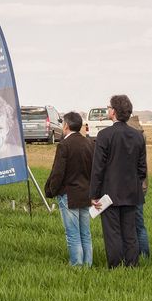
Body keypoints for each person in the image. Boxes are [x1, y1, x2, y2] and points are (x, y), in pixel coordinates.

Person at [89, 94, 148, 268]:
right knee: (130, 232)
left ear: (113, 112)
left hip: (109, 192)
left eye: (109, 107)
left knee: (112, 232)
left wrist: (94, 194)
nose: (108, 109)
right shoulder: (138, 136)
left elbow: (97, 168)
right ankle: (132, 265)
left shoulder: (104, 135)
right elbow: (142, 168)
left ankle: (115, 266)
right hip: (132, 192)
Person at [44, 111, 95, 267]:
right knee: (85, 233)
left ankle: (76, 265)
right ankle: (87, 264)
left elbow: (58, 172)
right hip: (86, 194)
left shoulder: (64, 145)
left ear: (65, 125)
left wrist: (52, 190)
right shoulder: (90, 143)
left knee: (72, 234)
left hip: (69, 195)